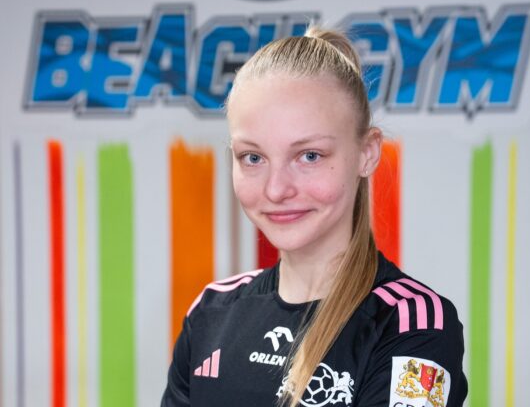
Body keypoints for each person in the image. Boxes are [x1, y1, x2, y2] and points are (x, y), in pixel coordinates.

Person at [161, 27, 468, 407]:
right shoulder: (211, 312)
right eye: (253, 157)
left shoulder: (412, 322)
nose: (276, 189)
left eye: (309, 156)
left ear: (368, 153)